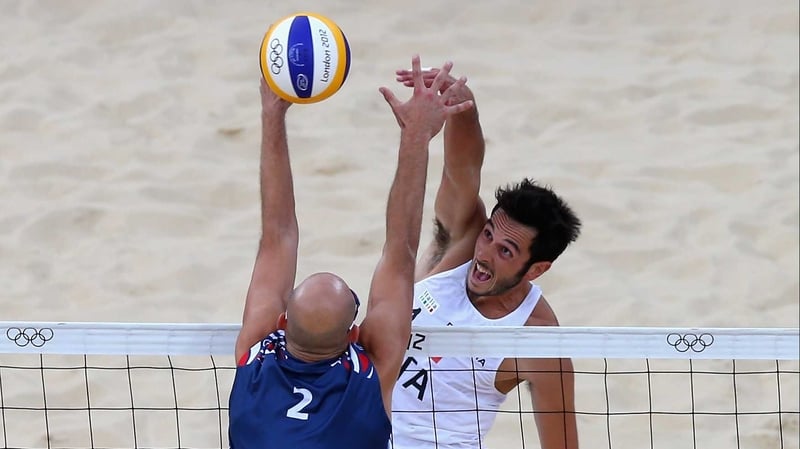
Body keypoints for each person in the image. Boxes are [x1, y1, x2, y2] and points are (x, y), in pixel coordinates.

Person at [228, 55, 474, 449]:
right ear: (355, 334)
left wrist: (271, 113)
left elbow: (277, 236)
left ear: (281, 321)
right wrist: (416, 136)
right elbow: (401, 253)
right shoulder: (369, 376)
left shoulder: (255, 354)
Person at [389, 65, 582, 449]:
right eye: (490, 234)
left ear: (537, 269)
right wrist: (465, 112)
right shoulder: (462, 246)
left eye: (505, 251)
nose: (485, 253)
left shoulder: (537, 340)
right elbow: (462, 171)